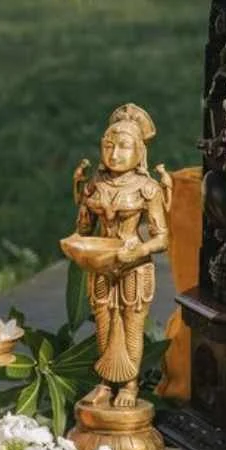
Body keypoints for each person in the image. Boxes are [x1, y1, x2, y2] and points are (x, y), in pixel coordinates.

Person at [72, 104, 172, 409]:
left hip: (135, 267)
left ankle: (130, 384)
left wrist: (139, 250)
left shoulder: (147, 188)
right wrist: (79, 193)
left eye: (124, 147)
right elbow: (84, 228)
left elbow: (162, 237)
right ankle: (104, 383)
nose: (114, 154)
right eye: (108, 146)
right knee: (103, 320)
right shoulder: (95, 185)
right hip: (102, 264)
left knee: (131, 324)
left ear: (139, 151)